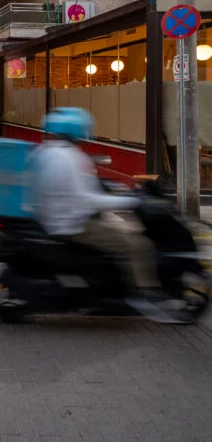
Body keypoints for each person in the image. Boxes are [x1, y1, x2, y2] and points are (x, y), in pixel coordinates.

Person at [30, 107, 179, 321]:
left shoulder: (46, 151)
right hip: (72, 223)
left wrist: (109, 189)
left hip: (53, 217)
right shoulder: (69, 157)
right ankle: (146, 296)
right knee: (136, 244)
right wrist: (128, 201)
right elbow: (85, 198)